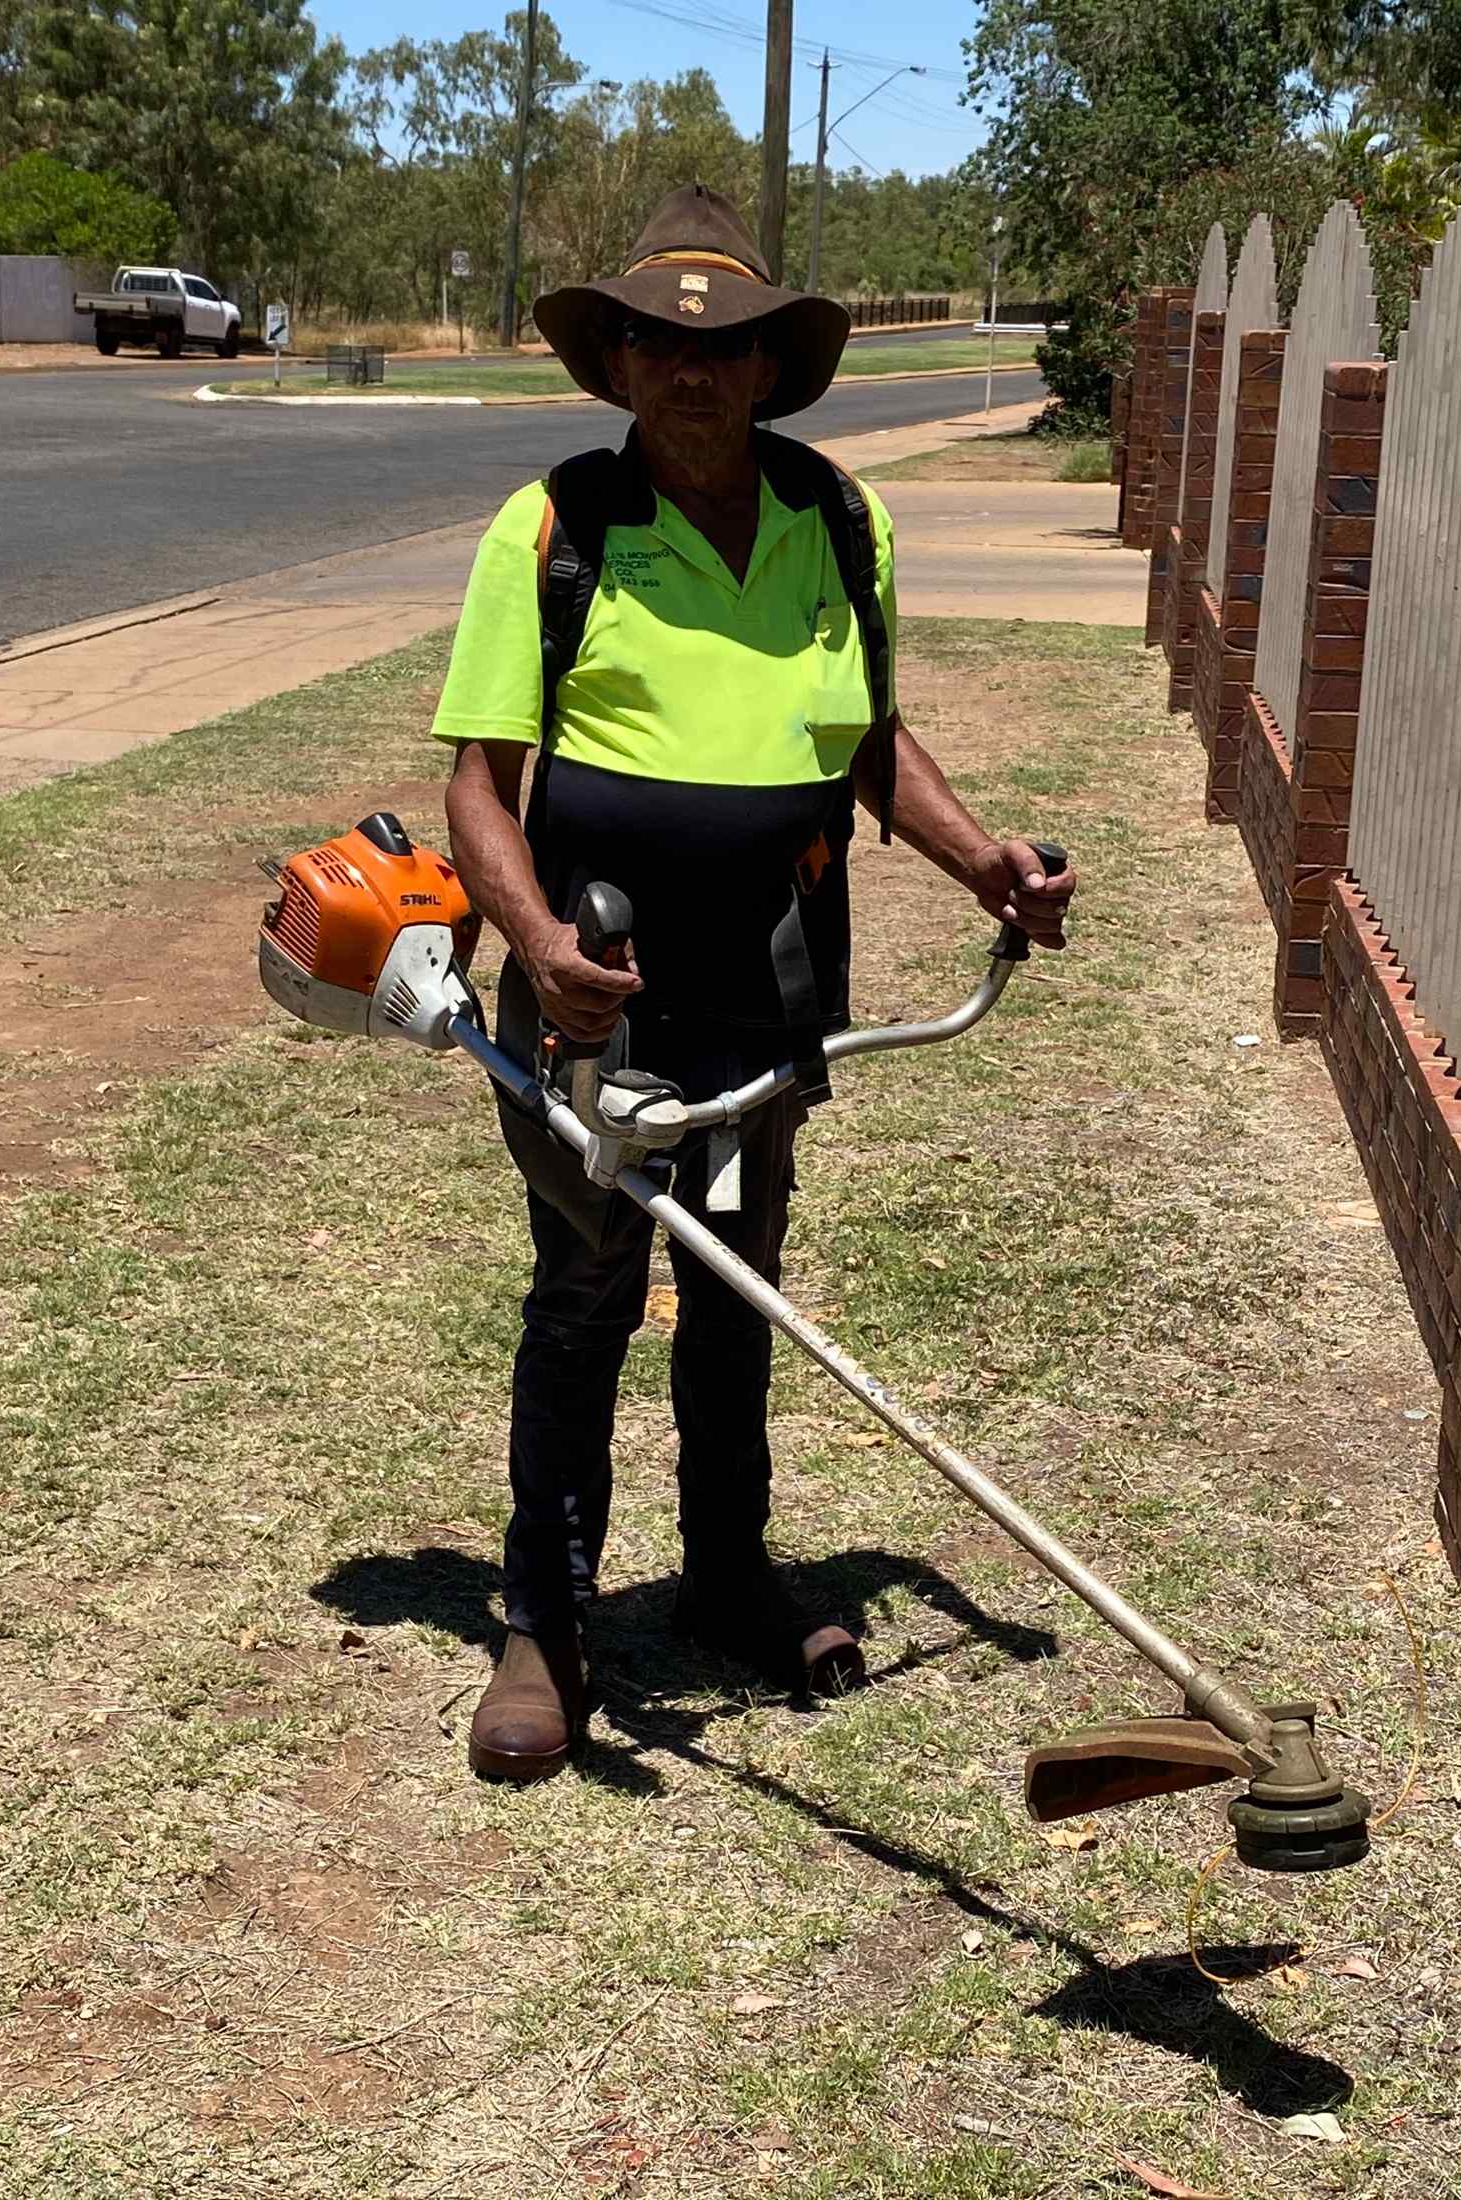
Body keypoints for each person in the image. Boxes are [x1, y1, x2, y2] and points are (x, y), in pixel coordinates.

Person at [433, 184, 1075, 1783]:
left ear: (770, 368)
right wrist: (540, 947)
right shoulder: (554, 529)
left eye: (721, 345)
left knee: (732, 1284)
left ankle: (726, 1573)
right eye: (657, 342)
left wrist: (981, 860)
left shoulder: (839, 523)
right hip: (597, 1005)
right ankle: (544, 1623)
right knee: (586, 1295)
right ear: (617, 363)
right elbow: (477, 786)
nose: (689, 370)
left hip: (759, 1006)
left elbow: (866, 741)